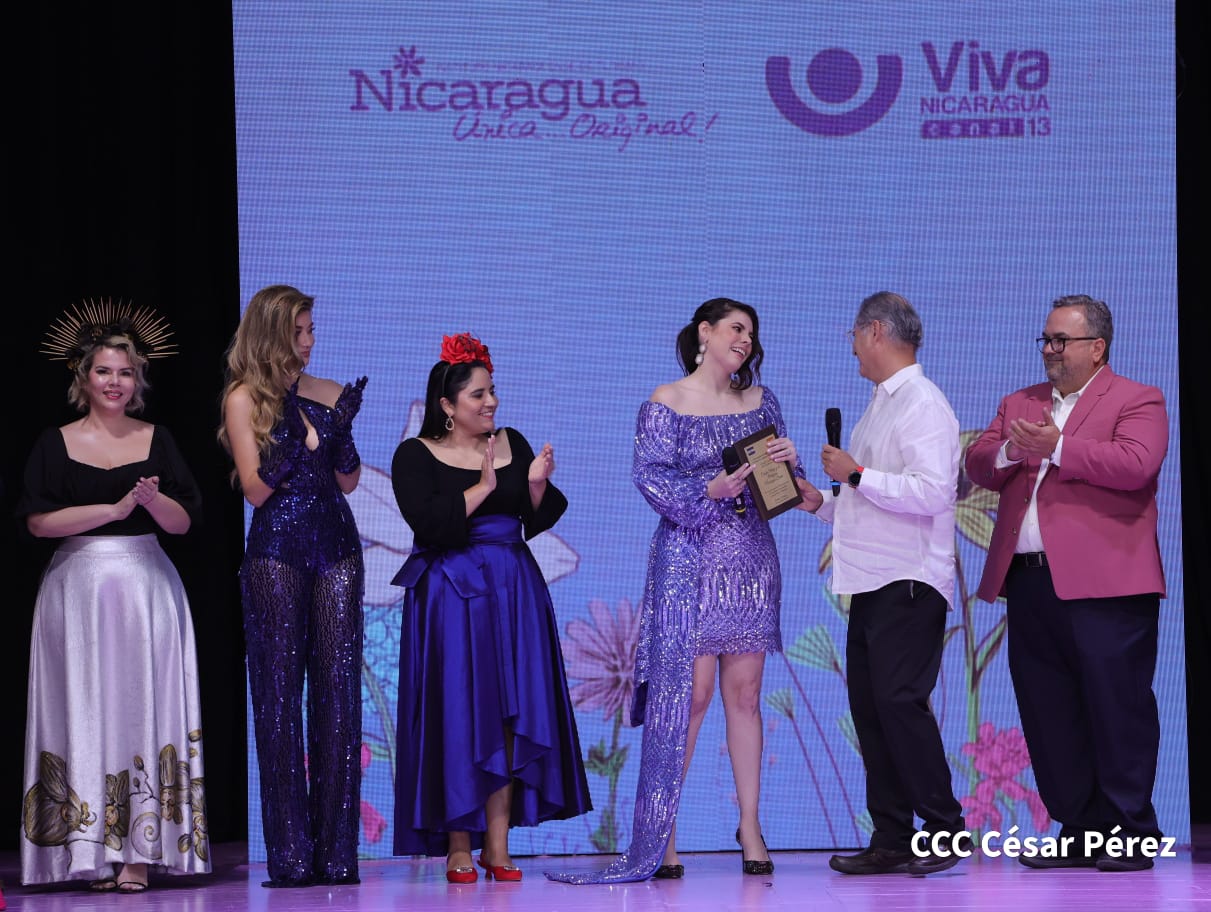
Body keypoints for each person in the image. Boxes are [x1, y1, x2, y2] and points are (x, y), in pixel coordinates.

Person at [549, 298, 809, 885]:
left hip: (750, 560)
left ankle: (750, 826)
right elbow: (649, 477)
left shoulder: (761, 401)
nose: (745, 339)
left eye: (751, 332)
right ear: (705, 333)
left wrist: (791, 471)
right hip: (688, 560)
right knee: (689, 697)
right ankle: (662, 832)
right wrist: (709, 489)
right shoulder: (666, 400)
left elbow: (781, 490)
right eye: (736, 328)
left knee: (746, 695)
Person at [965, 295, 1167, 872]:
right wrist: (1013, 447)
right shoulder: (1021, 402)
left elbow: (1136, 465)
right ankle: (1078, 830)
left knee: (1117, 708)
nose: (1050, 350)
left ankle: (1130, 833)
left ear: (1097, 347)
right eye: (1046, 340)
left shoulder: (1137, 399)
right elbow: (978, 463)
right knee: (1048, 711)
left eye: (1062, 340)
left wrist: (1055, 446)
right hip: (1030, 582)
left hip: (1109, 584)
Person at [19, 303, 209, 892]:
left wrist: (151, 503)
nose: (115, 382)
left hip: (145, 589)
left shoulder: (158, 440)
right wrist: (114, 509)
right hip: (77, 590)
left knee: (139, 707)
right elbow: (38, 523)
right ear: (83, 376)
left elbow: (183, 523)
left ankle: (138, 854)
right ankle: (87, 851)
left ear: (138, 380)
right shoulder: (55, 442)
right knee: (84, 708)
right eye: (104, 371)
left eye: (125, 372)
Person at [390, 333, 591, 884]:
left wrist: (535, 485)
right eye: (478, 394)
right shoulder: (415, 454)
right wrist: (481, 487)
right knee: (459, 714)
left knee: (509, 716)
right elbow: (427, 523)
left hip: (513, 588)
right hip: (451, 595)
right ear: (447, 405)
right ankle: (459, 844)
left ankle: (498, 845)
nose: (491, 402)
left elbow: (533, 518)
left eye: (492, 391)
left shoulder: (512, 441)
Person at [803, 291, 967, 877]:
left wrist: (856, 473)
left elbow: (933, 492)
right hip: (872, 581)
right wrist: (819, 500)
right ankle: (893, 836)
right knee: (872, 711)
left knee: (899, 703)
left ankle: (945, 829)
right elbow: (869, 497)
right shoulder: (880, 404)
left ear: (875, 331)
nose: (851, 347)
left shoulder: (922, 402)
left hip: (909, 580)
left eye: (853, 334)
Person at [219, 285, 368, 887]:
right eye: (298, 331)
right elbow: (256, 490)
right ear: (272, 332)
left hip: (337, 548)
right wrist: (292, 433)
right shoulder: (243, 398)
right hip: (277, 552)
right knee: (278, 700)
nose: (308, 341)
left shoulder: (327, 392)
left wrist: (340, 434)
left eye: (311, 330)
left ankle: (337, 855)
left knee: (339, 697)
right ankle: (291, 857)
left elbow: (350, 481)